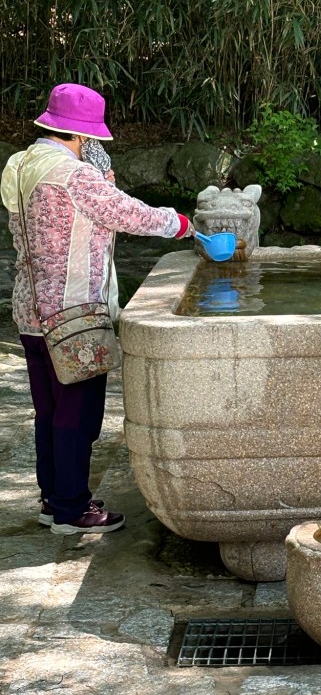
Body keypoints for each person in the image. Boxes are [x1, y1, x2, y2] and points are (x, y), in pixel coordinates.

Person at [0, 83, 196, 535]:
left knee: (49, 410)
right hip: (75, 313)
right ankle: (72, 510)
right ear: (80, 134)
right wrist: (181, 224)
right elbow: (131, 215)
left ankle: (54, 499)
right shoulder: (75, 176)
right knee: (78, 413)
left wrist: (99, 176)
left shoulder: (21, 164)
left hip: (31, 309)